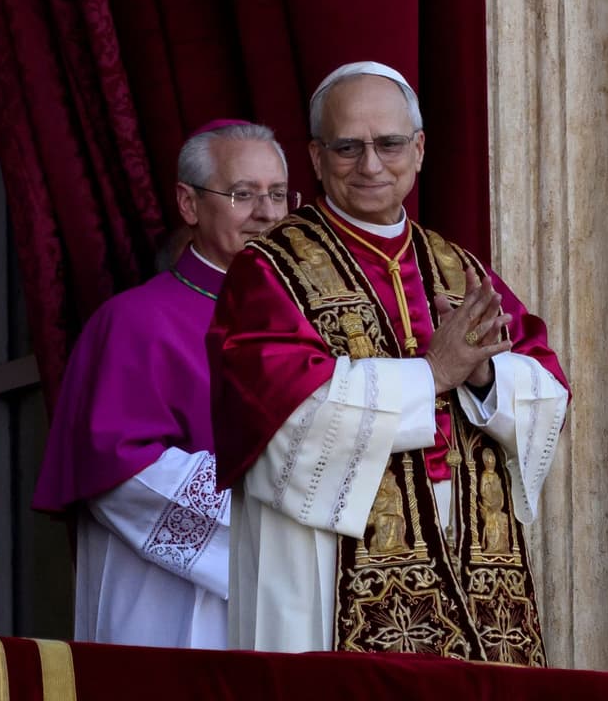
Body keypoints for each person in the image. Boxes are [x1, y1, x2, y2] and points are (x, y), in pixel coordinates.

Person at [209, 62, 570, 666]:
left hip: (468, 552)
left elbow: (549, 388)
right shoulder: (270, 269)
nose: (371, 165)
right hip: (331, 556)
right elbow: (282, 415)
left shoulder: (459, 267)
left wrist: (483, 375)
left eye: (390, 144)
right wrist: (432, 375)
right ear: (317, 157)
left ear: (419, 149)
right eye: (348, 147)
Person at [32, 120, 291, 648]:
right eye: (243, 194)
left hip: (295, 610)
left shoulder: (313, 320)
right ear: (189, 204)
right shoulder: (133, 322)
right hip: (172, 609)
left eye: (279, 194)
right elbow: (121, 473)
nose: (267, 213)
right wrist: (285, 513)